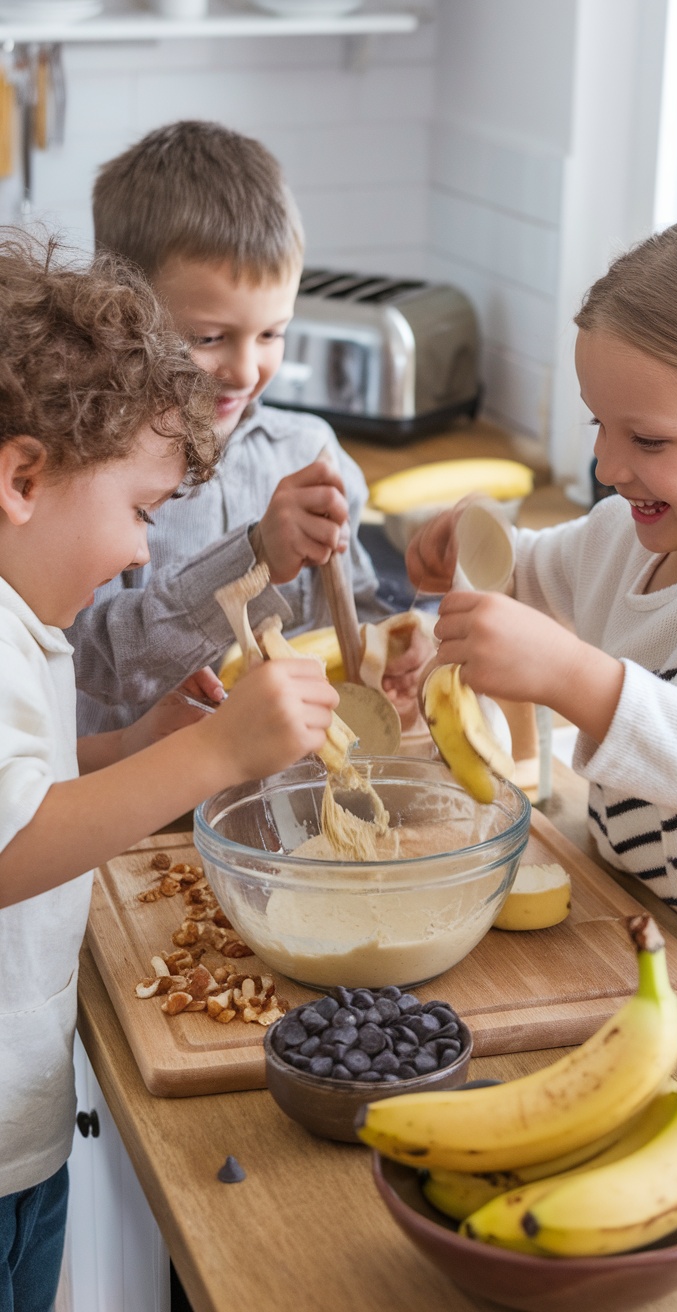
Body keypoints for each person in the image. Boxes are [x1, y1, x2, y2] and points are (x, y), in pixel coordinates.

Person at [0, 233, 337, 1310]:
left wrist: (135, 747)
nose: (144, 552)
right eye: (139, 512)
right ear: (22, 477)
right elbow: (11, 844)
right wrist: (215, 751)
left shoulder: (24, 622)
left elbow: (31, 782)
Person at [406, 207, 677, 970]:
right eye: (598, 425)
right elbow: (524, 572)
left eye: (647, 438)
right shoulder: (623, 537)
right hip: (632, 916)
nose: (608, 467)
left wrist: (578, 679)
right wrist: (471, 539)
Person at [70, 120, 426, 736]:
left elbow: (350, 612)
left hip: (290, 801)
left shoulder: (308, 449)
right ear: (117, 313)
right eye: (208, 338)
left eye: (272, 334)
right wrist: (253, 557)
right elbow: (95, 662)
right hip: (144, 811)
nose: (243, 369)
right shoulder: (90, 471)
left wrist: (389, 651)